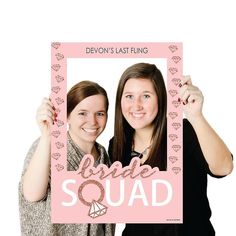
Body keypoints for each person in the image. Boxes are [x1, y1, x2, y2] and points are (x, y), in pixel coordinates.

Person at [108, 63, 233, 236]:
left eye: (145, 96)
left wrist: (195, 115)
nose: (136, 105)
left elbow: (224, 167)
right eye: (129, 96)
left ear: (160, 98)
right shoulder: (117, 144)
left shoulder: (183, 132)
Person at [19, 81, 115, 236]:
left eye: (100, 113)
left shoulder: (103, 155)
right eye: (82, 113)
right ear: (67, 116)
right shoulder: (47, 146)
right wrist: (47, 137)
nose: (93, 121)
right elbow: (31, 195)